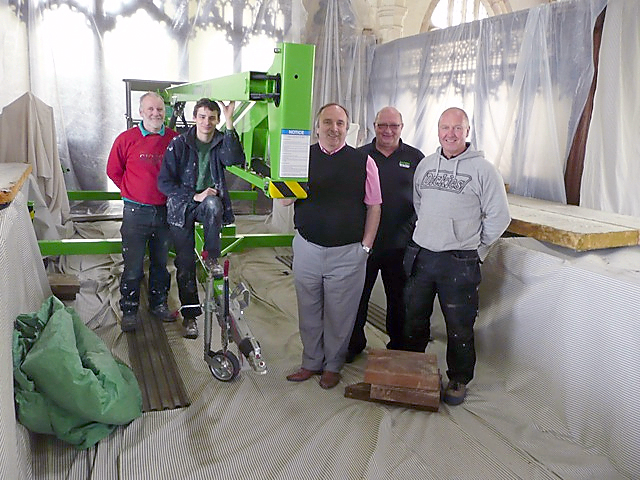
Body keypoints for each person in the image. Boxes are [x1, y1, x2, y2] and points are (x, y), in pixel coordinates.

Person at [402, 107, 510, 405]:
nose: (450, 134)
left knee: (459, 325)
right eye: (444, 127)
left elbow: (500, 216)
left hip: (459, 261)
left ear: (467, 131)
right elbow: (419, 204)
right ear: (438, 131)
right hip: (423, 256)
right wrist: (433, 230)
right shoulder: (426, 165)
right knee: (414, 319)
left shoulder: (484, 171)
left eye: (457, 128)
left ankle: (459, 379)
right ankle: (411, 371)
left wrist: (477, 248)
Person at [284, 103, 382, 389]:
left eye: (340, 123)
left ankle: (333, 366)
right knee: (308, 309)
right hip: (308, 248)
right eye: (327, 122)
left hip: (347, 254)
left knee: (341, 314)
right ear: (317, 127)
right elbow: (284, 200)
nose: (334, 128)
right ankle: (311, 362)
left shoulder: (363, 162)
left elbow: (374, 207)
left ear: (347, 128)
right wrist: (286, 170)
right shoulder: (301, 158)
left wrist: (365, 247)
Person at [158, 98, 245, 339]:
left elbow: (234, 159)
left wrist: (230, 121)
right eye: (203, 117)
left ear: (217, 120)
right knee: (185, 263)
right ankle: (190, 316)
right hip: (181, 207)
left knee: (213, 203)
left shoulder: (221, 141)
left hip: (207, 204)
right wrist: (193, 195)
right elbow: (164, 183)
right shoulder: (179, 144)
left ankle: (211, 256)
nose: (207, 122)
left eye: (212, 118)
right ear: (195, 118)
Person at [346, 106, 424, 362]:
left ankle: (398, 348)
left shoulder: (416, 158)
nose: (387, 131)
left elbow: (424, 200)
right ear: (374, 126)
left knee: (400, 301)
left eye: (393, 126)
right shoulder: (359, 156)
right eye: (382, 125)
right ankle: (353, 344)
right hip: (365, 243)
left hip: (401, 245)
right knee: (357, 297)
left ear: (402, 128)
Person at [107, 91, 179, 332]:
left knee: (161, 263)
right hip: (135, 213)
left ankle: (159, 304)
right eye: (150, 109)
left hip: (165, 212)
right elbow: (113, 170)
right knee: (133, 266)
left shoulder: (174, 139)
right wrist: (131, 190)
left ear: (165, 112)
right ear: (141, 112)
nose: (155, 113)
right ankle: (129, 310)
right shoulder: (126, 139)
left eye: (160, 109)